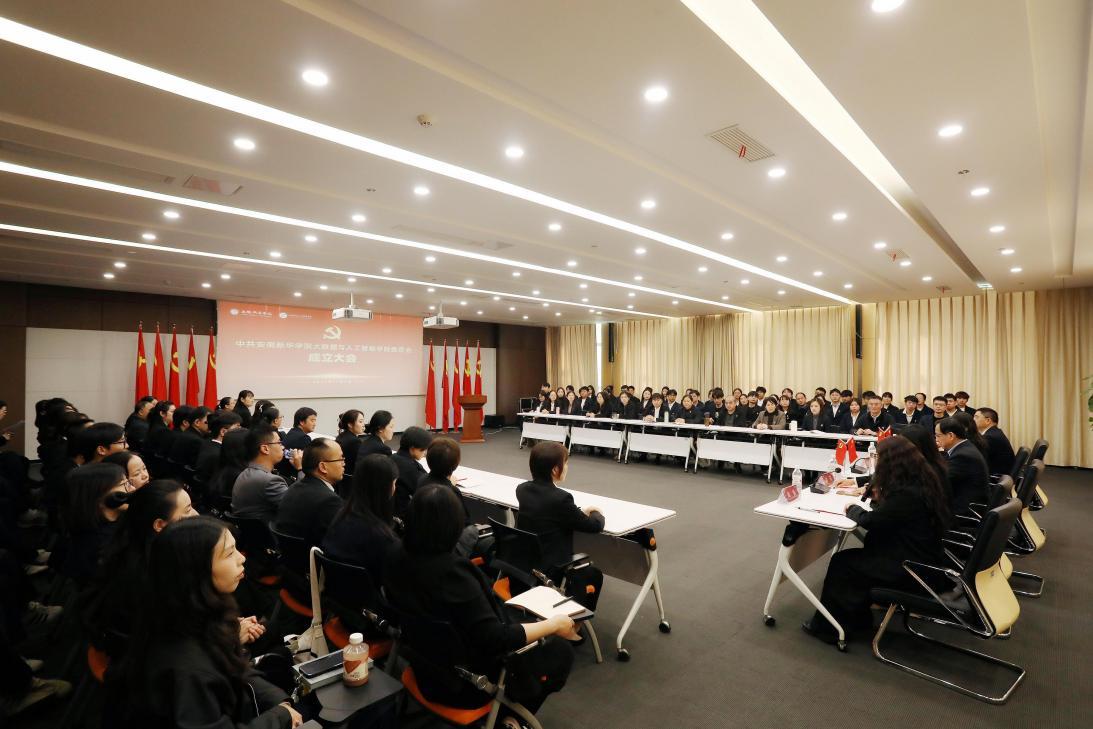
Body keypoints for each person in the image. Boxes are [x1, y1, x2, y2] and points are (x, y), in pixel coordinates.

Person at [383, 485, 574, 727]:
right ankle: (510, 718)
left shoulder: (394, 555)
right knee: (560, 652)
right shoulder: (454, 575)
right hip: (466, 684)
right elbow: (496, 639)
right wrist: (554, 624)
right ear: (453, 526)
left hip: (424, 666)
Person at [108, 517, 302, 728]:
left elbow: (235, 668)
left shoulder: (185, 615)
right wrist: (279, 717)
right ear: (197, 572)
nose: (241, 558)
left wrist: (278, 703)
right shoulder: (186, 665)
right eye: (229, 553)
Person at [801, 436, 949, 644]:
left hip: (911, 567)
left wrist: (852, 509)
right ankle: (857, 618)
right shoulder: (922, 481)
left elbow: (871, 521)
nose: (877, 462)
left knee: (843, 563)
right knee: (853, 560)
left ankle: (830, 629)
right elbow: (892, 514)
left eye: (879, 457)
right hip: (922, 556)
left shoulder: (906, 495)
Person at [81, 480, 198, 653]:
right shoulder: (156, 573)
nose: (196, 514)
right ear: (159, 525)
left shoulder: (130, 544)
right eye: (187, 510)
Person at [516, 443, 604, 610]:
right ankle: (576, 621)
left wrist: (576, 511)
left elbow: (551, 512)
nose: (567, 467)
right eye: (566, 462)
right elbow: (594, 526)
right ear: (555, 470)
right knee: (593, 574)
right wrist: (596, 513)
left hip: (524, 563)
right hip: (550, 568)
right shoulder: (561, 498)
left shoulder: (522, 489)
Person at [322, 454, 401, 586]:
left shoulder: (340, 516)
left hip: (335, 592)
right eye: (394, 483)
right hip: (368, 596)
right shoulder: (383, 538)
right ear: (386, 488)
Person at [59, 463, 130, 585]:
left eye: (128, 482)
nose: (132, 489)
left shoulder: (112, 523)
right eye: (124, 485)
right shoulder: (100, 545)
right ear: (98, 498)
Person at [275, 437, 344, 549]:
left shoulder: (293, 488)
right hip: (308, 558)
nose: (343, 463)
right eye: (340, 459)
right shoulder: (329, 501)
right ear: (323, 467)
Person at [231, 425, 303, 523]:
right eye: (279, 443)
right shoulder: (270, 481)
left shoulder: (245, 473)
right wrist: (300, 469)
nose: (283, 447)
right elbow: (300, 505)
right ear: (265, 449)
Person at [935, 417, 990, 516]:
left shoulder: (962, 456)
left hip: (964, 511)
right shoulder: (964, 447)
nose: (936, 439)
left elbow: (940, 481)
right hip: (966, 502)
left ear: (951, 435)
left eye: (938, 435)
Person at [392, 426, 433, 519]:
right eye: (424, 449)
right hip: (405, 515)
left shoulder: (394, 457)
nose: (425, 452)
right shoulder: (408, 467)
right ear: (413, 448)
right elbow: (427, 488)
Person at [196, 411, 242, 485]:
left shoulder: (208, 442)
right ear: (223, 432)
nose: (241, 431)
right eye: (237, 427)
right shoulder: (219, 455)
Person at [974, 407, 1016, 476]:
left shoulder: (990, 437)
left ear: (988, 420)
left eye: (976, 417)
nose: (973, 420)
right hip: (1001, 474)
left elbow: (978, 459)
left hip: (996, 477)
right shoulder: (994, 432)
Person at [335, 410, 365, 476]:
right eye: (360, 422)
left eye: (363, 421)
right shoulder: (354, 441)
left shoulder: (341, 436)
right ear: (350, 425)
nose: (363, 425)